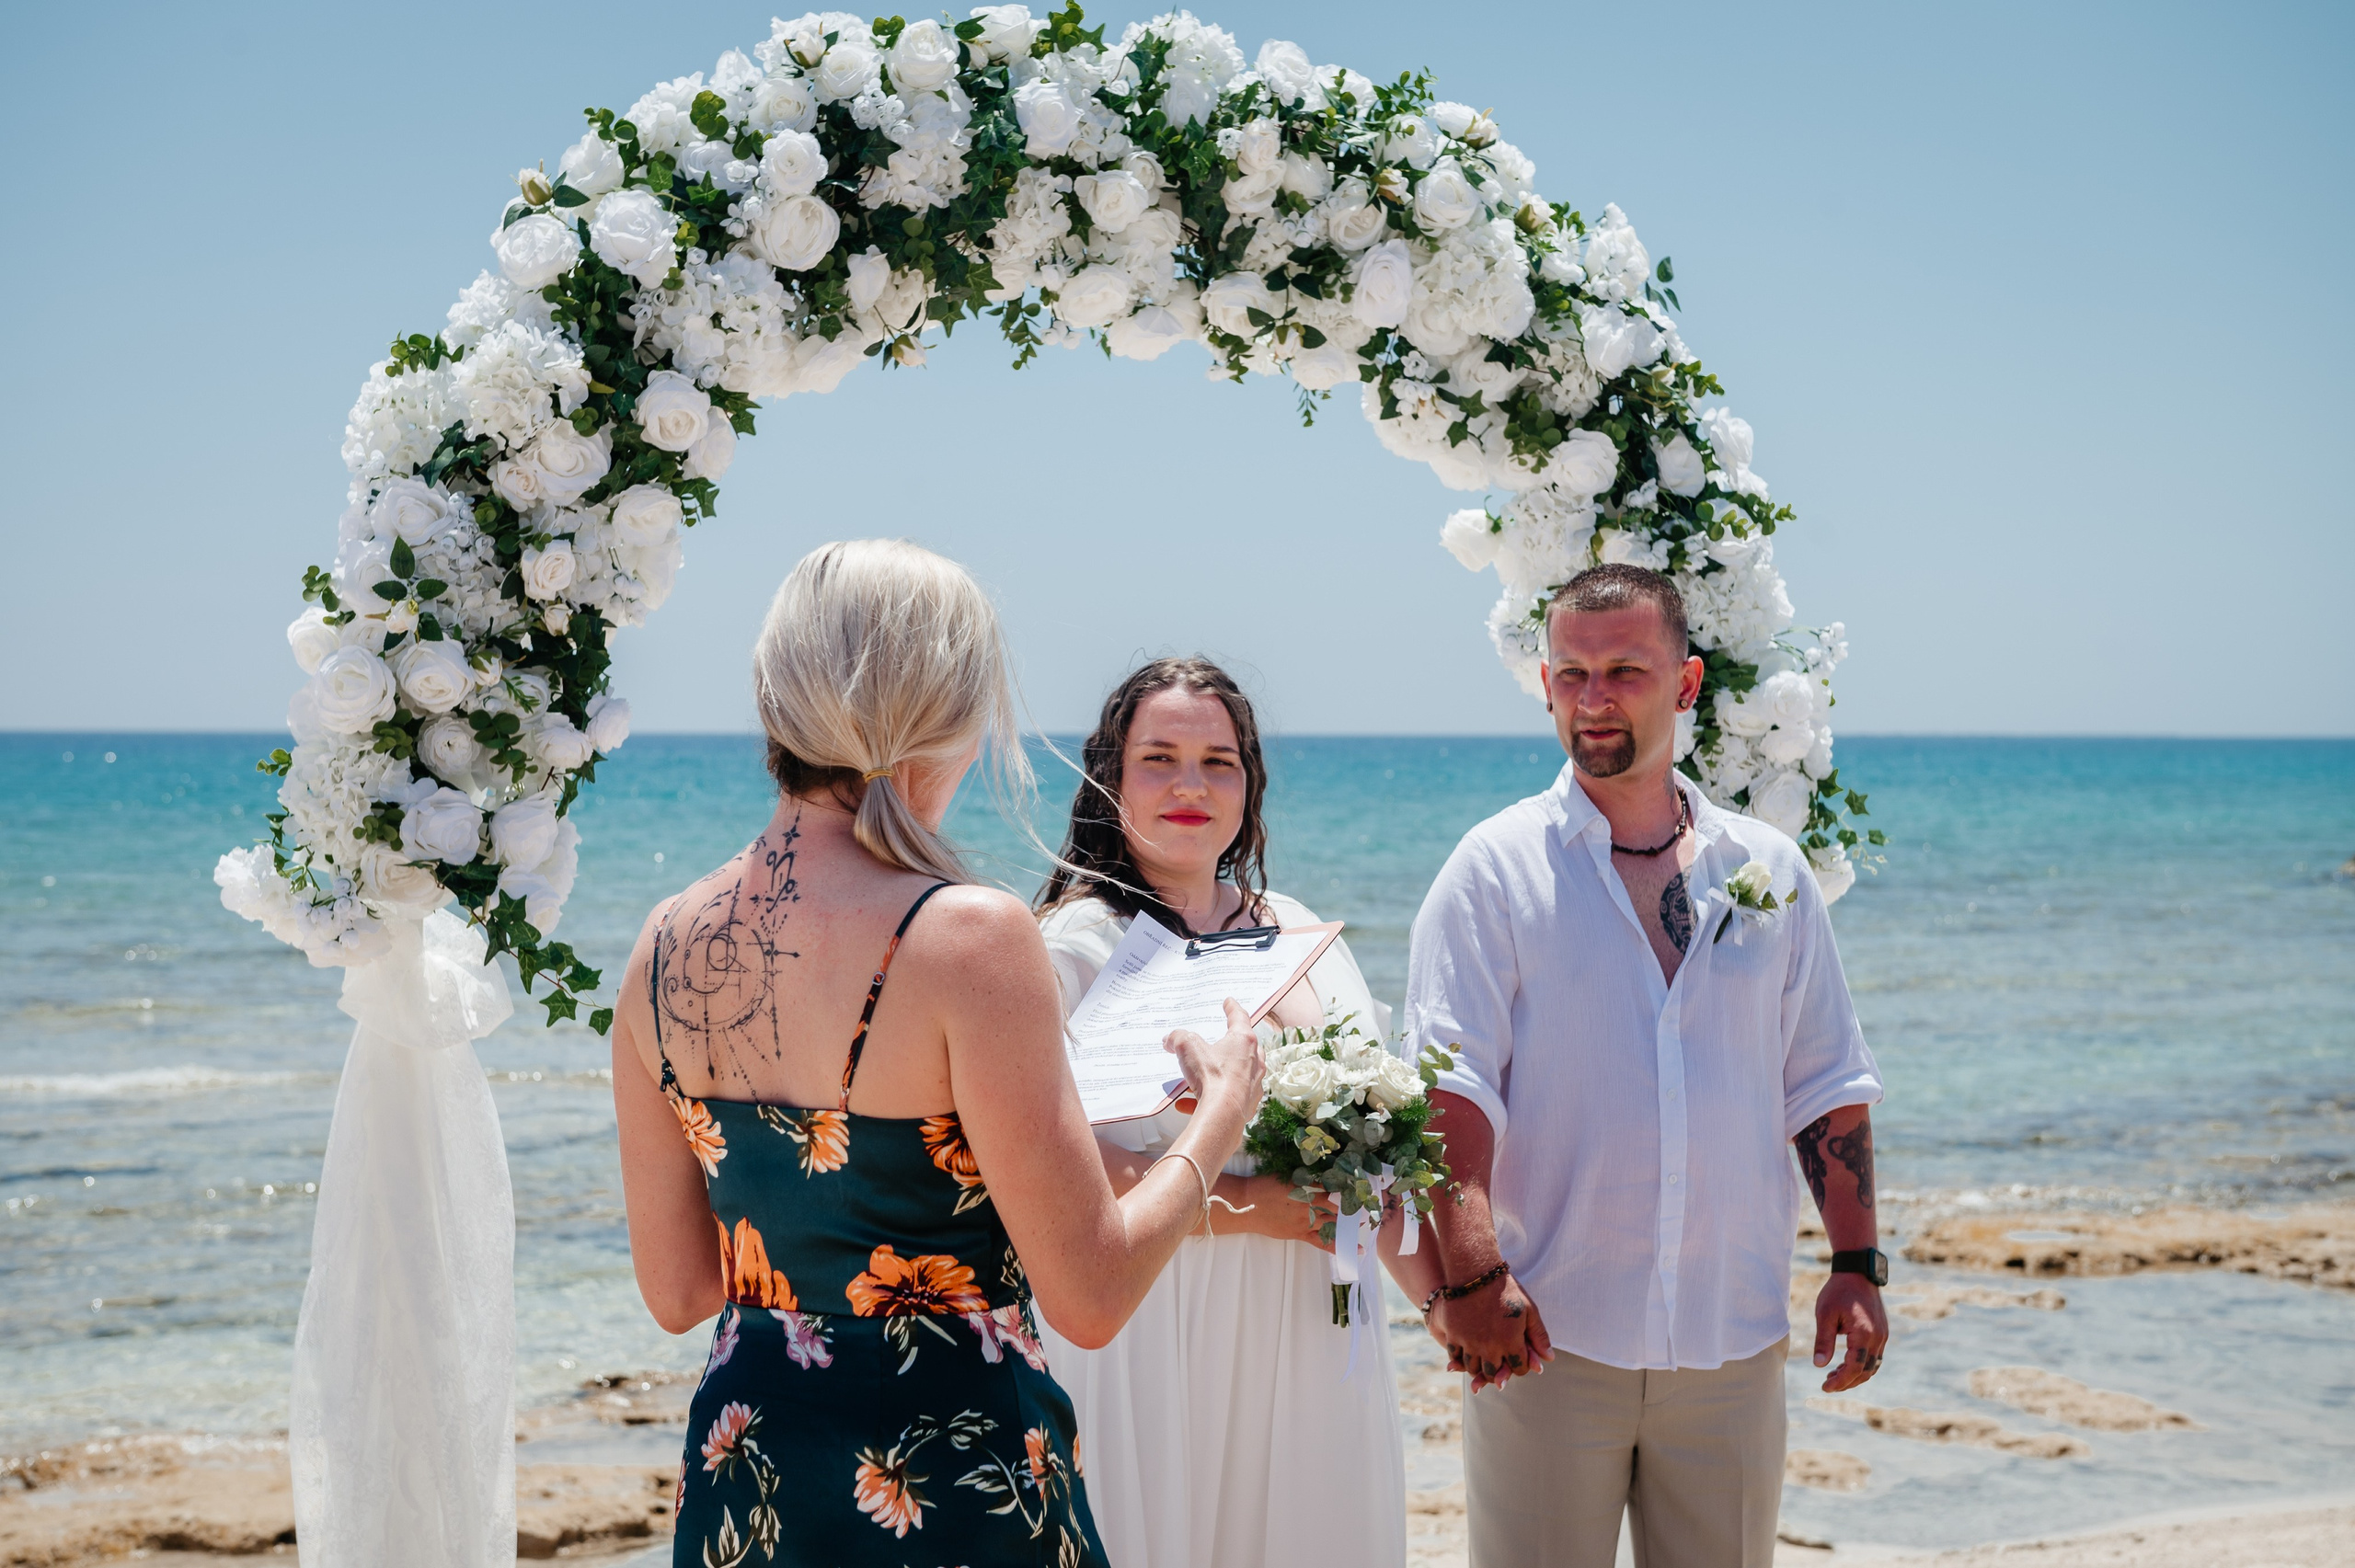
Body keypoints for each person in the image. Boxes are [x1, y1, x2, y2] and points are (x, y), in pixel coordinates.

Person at [608, 543, 1267, 1568]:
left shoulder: (662, 942)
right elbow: (1090, 1295)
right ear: (946, 711)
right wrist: (1222, 1105)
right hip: (952, 1483)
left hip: (751, 1475)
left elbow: (681, 1292)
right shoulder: (966, 935)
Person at [1396, 564, 1888, 1568]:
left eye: (1625, 669)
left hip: (1731, 1333)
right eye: (1571, 673)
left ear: (1688, 683)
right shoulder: (1491, 870)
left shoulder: (1768, 871)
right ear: (1544, 686)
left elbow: (1824, 1082)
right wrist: (1474, 1274)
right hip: (1546, 1335)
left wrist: (1854, 1263)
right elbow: (1450, 1090)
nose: (1594, 696)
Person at [1029, 657, 1407, 1568]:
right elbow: (1053, 1185)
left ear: (1251, 781)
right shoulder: (1069, 951)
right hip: (1149, 1334)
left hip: (1305, 1334)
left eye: (1219, 760)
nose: (1191, 785)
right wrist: (1266, 1208)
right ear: (1109, 777)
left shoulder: (1300, 934)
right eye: (1158, 757)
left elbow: (1382, 1141)